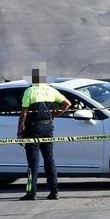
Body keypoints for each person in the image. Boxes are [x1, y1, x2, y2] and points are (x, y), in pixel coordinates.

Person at [17, 67, 72, 201]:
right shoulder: (51, 90)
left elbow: (24, 113)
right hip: (48, 128)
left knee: (33, 163)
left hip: (33, 129)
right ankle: (54, 191)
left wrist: (19, 131)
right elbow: (67, 104)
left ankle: (32, 193)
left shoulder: (29, 91)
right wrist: (53, 115)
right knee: (49, 160)